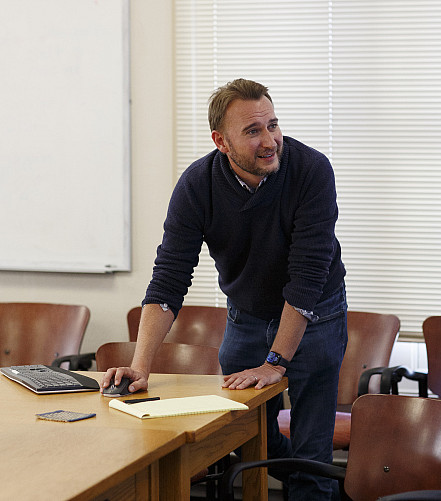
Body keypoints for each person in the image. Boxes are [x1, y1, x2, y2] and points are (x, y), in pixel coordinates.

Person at [101, 78, 348, 500]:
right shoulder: (197, 185)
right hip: (246, 317)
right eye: (253, 131)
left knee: (311, 455)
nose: (270, 140)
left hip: (315, 317)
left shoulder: (311, 170)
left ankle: (317, 488)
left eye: (273, 124)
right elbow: (168, 278)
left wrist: (275, 361)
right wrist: (140, 366)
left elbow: (306, 279)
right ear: (221, 141)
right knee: (247, 439)